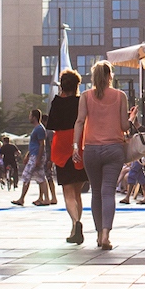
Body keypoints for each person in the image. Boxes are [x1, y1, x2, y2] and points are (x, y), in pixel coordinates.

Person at [73, 60, 136, 250]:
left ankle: (99, 233)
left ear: (93, 77)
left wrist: (76, 147)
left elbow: (80, 121)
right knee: (108, 191)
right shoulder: (120, 96)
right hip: (114, 149)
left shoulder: (85, 96)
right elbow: (124, 127)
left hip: (91, 149)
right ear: (110, 76)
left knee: (96, 193)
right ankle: (106, 234)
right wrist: (131, 118)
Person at [46, 68, 90, 244]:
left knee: (67, 192)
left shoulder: (56, 103)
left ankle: (76, 224)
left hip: (62, 145)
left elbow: (52, 126)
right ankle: (76, 226)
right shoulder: (81, 102)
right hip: (78, 144)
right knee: (77, 192)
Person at [11, 109, 49, 206]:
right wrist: (28, 155)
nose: (29, 117)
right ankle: (45, 198)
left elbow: (41, 144)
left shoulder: (40, 129)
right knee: (40, 177)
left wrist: (38, 158)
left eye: (30, 115)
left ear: (34, 117)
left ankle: (22, 199)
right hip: (34, 155)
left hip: (36, 156)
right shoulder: (36, 128)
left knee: (26, 176)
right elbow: (34, 144)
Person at [41, 114, 58, 205]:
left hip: (47, 157)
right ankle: (44, 197)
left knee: (48, 177)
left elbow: (52, 146)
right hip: (45, 157)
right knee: (43, 178)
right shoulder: (45, 131)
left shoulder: (49, 132)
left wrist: (51, 160)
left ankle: (53, 197)